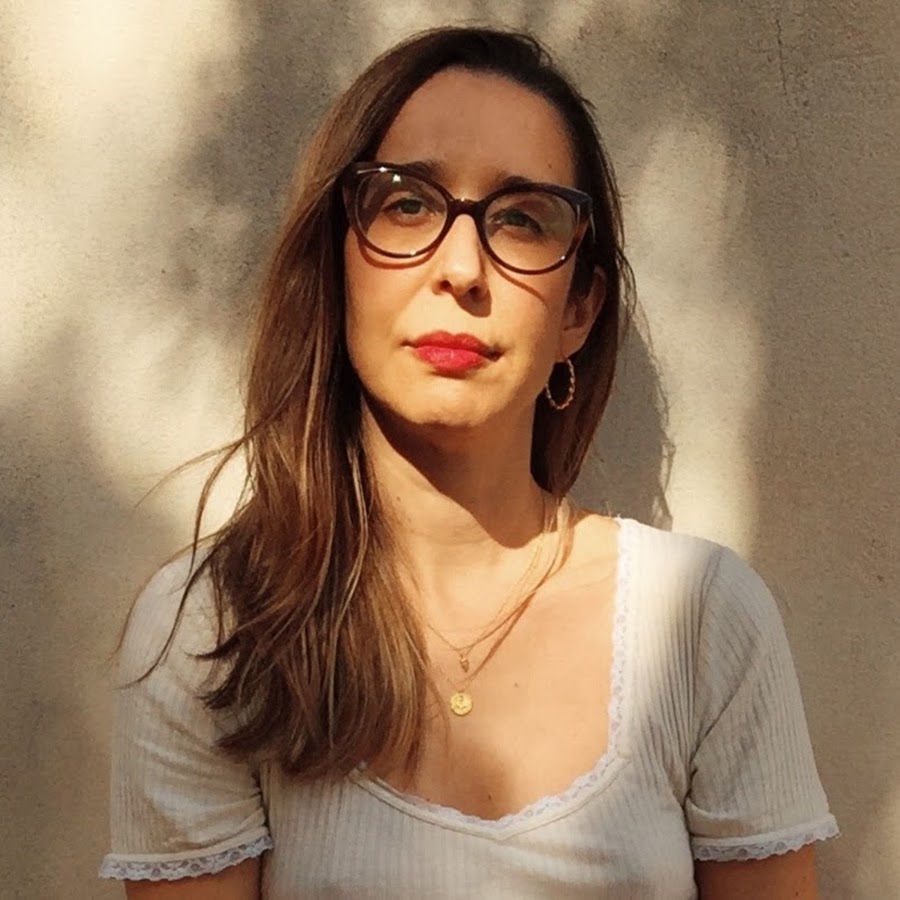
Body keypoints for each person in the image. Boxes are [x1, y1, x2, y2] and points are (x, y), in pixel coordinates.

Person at [99, 26, 837, 899]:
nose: (461, 269)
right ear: (337, 267)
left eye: (522, 219)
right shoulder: (215, 632)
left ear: (578, 309)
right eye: (407, 204)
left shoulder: (705, 622)